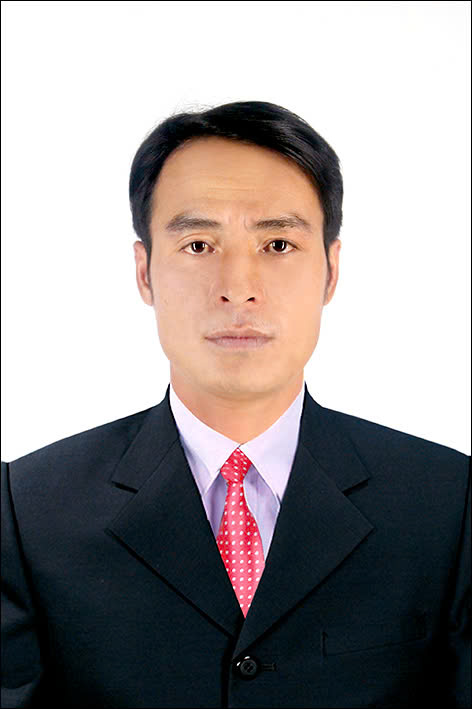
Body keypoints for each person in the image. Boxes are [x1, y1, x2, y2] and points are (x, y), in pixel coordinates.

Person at [1, 101, 470, 709]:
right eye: (199, 245)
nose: (238, 288)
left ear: (331, 271)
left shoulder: (447, 503)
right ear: (144, 272)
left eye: (277, 243)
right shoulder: (28, 511)